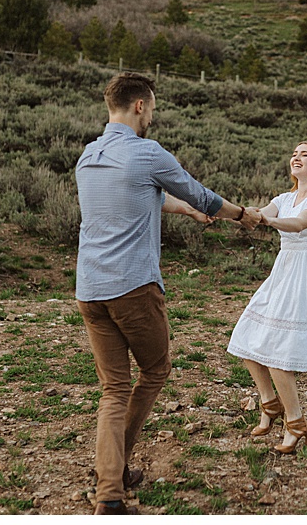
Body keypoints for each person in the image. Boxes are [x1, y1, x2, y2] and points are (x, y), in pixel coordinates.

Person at [75, 72, 261, 515]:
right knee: (154, 372)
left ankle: (110, 478)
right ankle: (112, 487)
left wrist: (187, 212)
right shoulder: (146, 152)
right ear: (139, 106)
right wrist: (242, 216)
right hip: (133, 289)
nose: (152, 118)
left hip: (90, 289)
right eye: (152, 110)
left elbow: (147, 196)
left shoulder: (89, 156)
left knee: (113, 387)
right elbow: (200, 192)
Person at [226, 141, 307, 455]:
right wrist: (230, 214)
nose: (296, 157)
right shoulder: (284, 197)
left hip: (306, 273)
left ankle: (296, 422)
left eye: (304, 154)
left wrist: (267, 221)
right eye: (294, 153)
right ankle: (269, 404)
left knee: (279, 353)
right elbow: (258, 214)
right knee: (246, 337)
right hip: (284, 270)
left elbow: (299, 223)